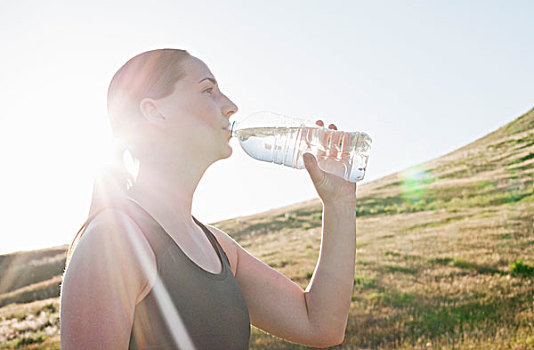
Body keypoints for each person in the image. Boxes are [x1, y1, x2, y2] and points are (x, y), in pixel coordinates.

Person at [60, 48, 358, 349]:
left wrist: (339, 204)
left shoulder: (220, 249)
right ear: (155, 111)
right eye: (208, 90)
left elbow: (320, 325)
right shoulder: (112, 245)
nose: (230, 106)